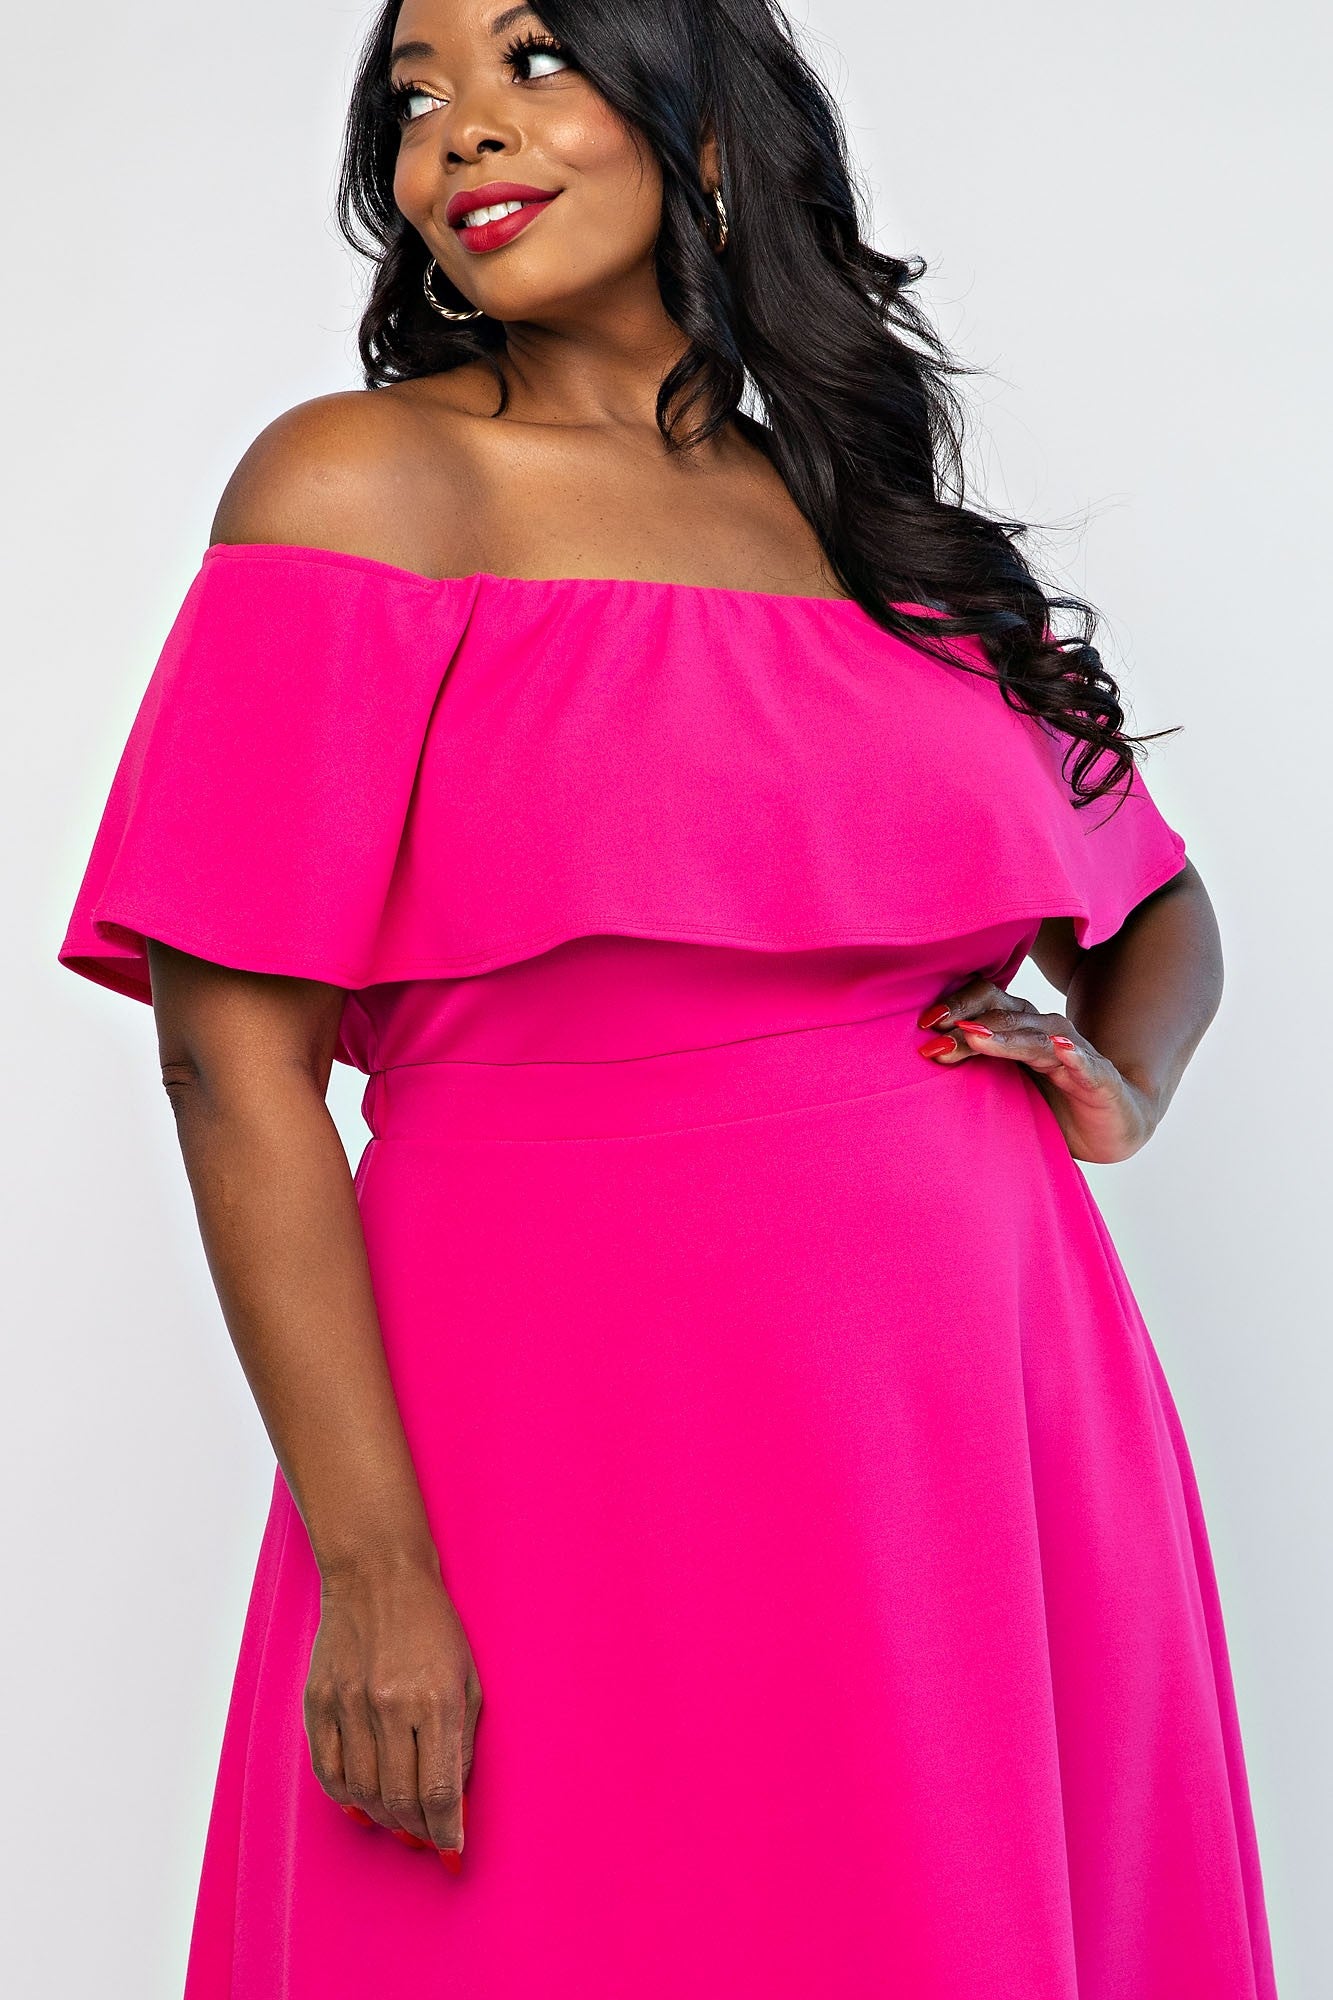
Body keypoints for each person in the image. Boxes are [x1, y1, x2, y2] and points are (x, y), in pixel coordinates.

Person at [57, 0, 1279, 1993]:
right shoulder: (365, 484)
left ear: (706, 134)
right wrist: (375, 1568)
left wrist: (1115, 1082)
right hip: (548, 1402)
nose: (459, 129)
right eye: (417, 95)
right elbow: (228, 1059)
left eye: (532, 59)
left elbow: (1158, 906)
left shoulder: (891, 543)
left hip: (970, 1405)